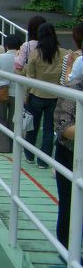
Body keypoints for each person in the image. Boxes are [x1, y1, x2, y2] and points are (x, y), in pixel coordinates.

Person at [24, 23, 69, 167]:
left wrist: (26, 94)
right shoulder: (63, 53)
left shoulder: (35, 53)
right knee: (49, 130)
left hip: (36, 94)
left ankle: (29, 155)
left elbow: (29, 77)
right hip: (55, 96)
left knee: (33, 127)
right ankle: (44, 161)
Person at [53, 76, 83, 251]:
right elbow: (63, 129)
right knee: (69, 203)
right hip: (71, 155)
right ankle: (67, 249)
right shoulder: (75, 87)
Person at [0, 33, 22, 153]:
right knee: (14, 121)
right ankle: (15, 147)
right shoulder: (22, 58)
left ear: (6, 45)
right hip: (17, 93)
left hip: (2, 91)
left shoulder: (0, 57)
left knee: (1, 119)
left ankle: (3, 148)